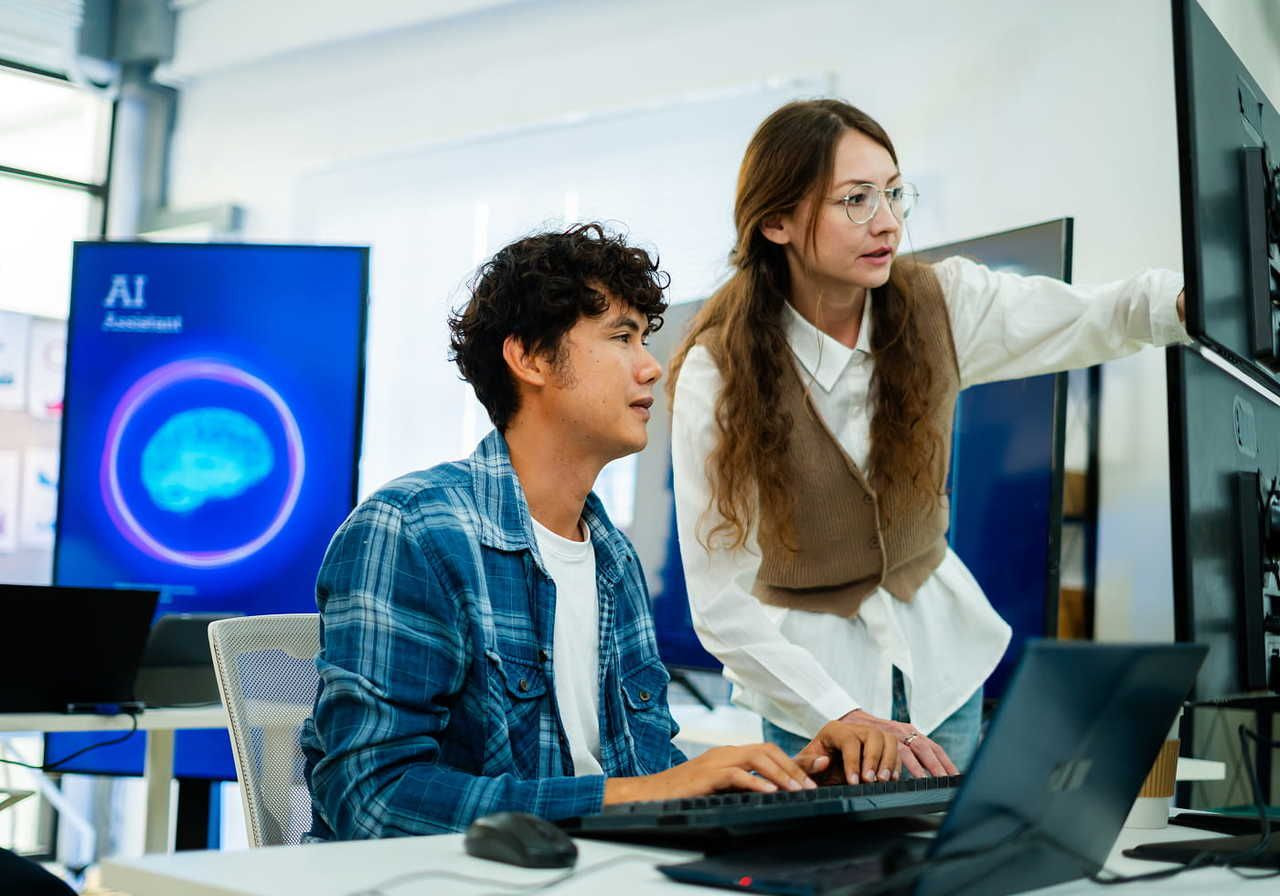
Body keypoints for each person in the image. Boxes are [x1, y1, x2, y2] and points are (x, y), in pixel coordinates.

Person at [300, 223, 898, 839]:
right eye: (621, 337)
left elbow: (644, 774)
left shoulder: (611, 556)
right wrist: (642, 792)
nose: (652, 369)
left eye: (646, 340)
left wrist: (779, 787)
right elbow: (372, 796)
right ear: (529, 357)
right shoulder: (414, 531)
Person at [668, 99, 1187, 776]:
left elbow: (1099, 315)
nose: (887, 221)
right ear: (776, 221)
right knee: (834, 872)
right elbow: (719, 598)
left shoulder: (944, 304)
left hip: (946, 663)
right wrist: (840, 714)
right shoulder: (719, 370)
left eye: (891, 192)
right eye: (855, 200)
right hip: (815, 694)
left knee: (943, 870)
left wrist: (1199, 299)